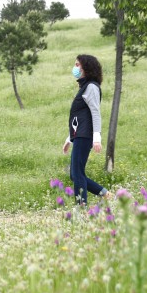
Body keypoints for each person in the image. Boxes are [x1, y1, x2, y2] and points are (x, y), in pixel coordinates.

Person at [62, 54, 110, 205]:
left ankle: (81, 207)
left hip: (85, 136)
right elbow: (79, 117)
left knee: (77, 173)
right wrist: (69, 139)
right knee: (74, 174)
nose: (75, 68)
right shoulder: (84, 87)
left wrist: (97, 138)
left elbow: (95, 113)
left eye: (77, 65)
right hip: (79, 134)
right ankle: (104, 193)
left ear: (86, 68)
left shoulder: (91, 87)